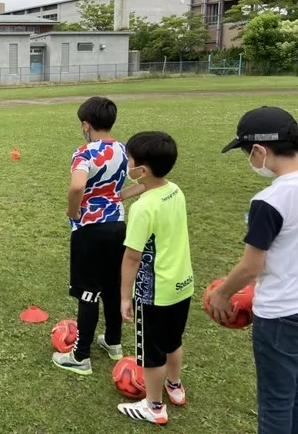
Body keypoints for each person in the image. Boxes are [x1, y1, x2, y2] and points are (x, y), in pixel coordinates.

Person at [208, 106, 298, 434]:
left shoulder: (269, 200)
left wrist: (222, 294)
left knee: (276, 400)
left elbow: (251, 266)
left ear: (260, 150)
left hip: (280, 314)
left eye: (247, 152)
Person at [53, 97, 144, 375]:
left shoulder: (84, 153)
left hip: (88, 231)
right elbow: (143, 183)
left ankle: (81, 357)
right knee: (112, 286)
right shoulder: (123, 149)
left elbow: (76, 187)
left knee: (88, 293)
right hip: (117, 227)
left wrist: (74, 211)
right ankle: (114, 343)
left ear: (85, 125)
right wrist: (118, 197)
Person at [117, 131, 194, 426]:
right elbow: (150, 191)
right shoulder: (174, 189)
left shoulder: (142, 210)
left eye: (130, 161)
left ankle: (154, 406)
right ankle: (175, 387)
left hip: (154, 292)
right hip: (182, 285)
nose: (127, 164)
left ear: (142, 170)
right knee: (173, 341)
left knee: (152, 353)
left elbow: (132, 257)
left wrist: (125, 297)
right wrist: (124, 192)